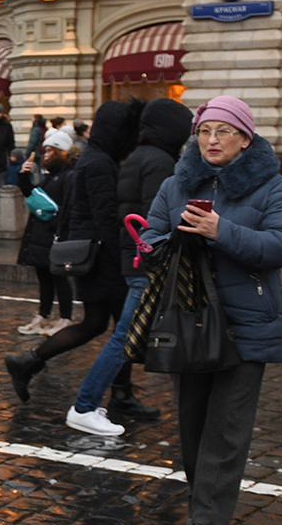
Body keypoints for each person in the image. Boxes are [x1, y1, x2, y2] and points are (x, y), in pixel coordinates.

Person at [138, 96, 282, 525]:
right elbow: (150, 233)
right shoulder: (176, 184)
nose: (212, 140)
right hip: (188, 318)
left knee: (227, 428)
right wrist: (155, 248)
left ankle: (206, 524)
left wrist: (219, 230)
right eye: (205, 131)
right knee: (192, 424)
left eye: (224, 132)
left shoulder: (273, 187)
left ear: (245, 140)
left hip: (246, 320)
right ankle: (202, 505)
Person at [63, 97, 193, 437]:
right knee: (126, 336)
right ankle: (85, 406)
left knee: (146, 335)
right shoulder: (160, 161)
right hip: (147, 263)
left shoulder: (140, 156)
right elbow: (158, 216)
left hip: (135, 259)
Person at [4, 100, 143, 406]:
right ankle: (119, 395)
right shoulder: (100, 163)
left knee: (97, 324)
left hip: (96, 257)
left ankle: (28, 362)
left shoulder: (95, 159)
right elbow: (105, 217)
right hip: (103, 260)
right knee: (121, 329)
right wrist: (123, 258)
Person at [13, 128, 75, 337]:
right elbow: (33, 195)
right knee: (44, 278)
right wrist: (23, 175)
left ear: (60, 152)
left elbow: (66, 207)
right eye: (45, 151)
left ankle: (65, 317)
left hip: (53, 236)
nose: (45, 155)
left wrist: (58, 229)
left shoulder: (68, 176)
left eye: (50, 151)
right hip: (39, 236)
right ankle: (43, 315)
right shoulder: (51, 177)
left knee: (59, 278)